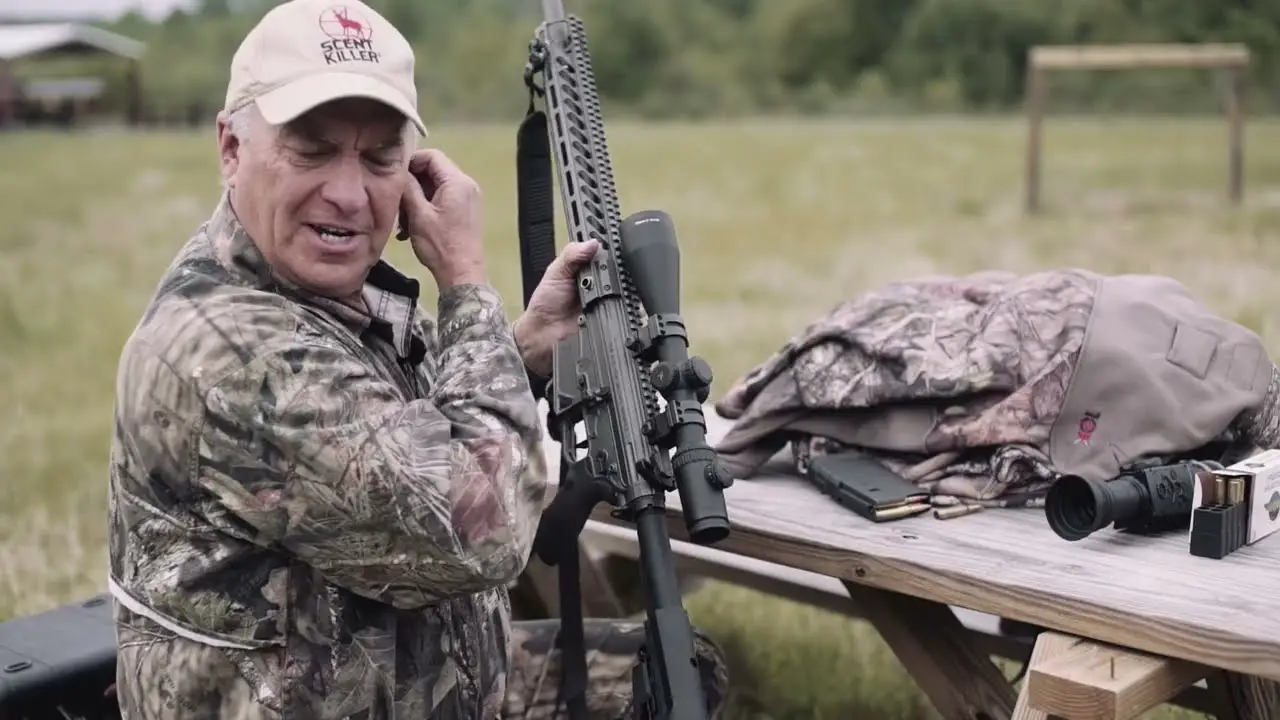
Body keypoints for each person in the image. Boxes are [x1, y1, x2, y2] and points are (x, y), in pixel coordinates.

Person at [105, 0, 729, 717]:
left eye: (379, 158)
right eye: (311, 150)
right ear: (231, 148)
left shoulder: (328, 292)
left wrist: (522, 352)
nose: (349, 194)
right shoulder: (228, 347)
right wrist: (465, 282)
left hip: (410, 678)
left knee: (676, 672)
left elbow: (412, 439)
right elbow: (482, 531)